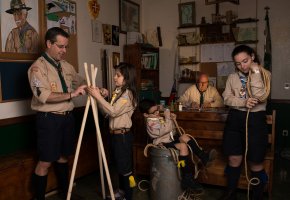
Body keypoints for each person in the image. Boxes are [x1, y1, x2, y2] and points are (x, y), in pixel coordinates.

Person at [28, 27, 86, 200]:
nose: (64, 51)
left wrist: (97, 89)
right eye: (60, 46)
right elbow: (44, 95)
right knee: (45, 161)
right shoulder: (37, 68)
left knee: (63, 157)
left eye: (66, 46)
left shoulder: (66, 66)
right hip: (49, 120)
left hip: (67, 118)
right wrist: (71, 94)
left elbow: (81, 81)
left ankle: (65, 194)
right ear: (49, 44)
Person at [219, 45, 271, 200]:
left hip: (255, 120)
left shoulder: (264, 74)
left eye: (245, 61)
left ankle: (257, 196)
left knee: (255, 161)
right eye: (238, 63)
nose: (243, 66)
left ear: (253, 56)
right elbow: (227, 98)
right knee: (233, 158)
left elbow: (260, 96)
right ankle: (231, 194)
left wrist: (255, 72)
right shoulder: (232, 77)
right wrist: (243, 102)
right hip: (235, 119)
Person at [139, 98, 217, 192]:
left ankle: (203, 156)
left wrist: (172, 119)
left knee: (184, 137)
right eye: (153, 112)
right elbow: (163, 130)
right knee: (183, 146)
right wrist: (167, 117)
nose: (157, 113)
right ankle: (187, 178)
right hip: (162, 143)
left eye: (157, 110)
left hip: (169, 140)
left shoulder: (157, 117)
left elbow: (172, 130)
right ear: (146, 115)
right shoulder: (150, 122)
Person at [86, 62, 138, 200]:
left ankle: (128, 196)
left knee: (125, 168)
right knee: (119, 166)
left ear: (126, 78)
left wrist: (98, 96)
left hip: (123, 136)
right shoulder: (117, 92)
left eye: (118, 75)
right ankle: (121, 191)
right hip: (114, 135)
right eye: (115, 74)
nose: (114, 78)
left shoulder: (128, 95)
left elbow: (113, 111)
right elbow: (106, 113)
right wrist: (100, 97)